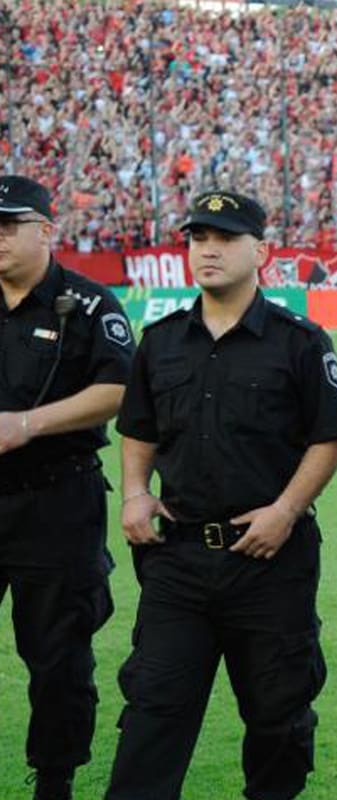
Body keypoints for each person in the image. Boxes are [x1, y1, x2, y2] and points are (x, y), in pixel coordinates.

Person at [106, 190, 337, 800]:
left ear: (261, 252)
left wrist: (286, 511)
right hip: (179, 559)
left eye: (225, 238)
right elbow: (138, 428)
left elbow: (331, 435)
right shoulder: (161, 340)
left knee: (278, 716)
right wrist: (135, 493)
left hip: (269, 562)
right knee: (152, 707)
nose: (208, 250)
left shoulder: (300, 341)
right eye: (198, 238)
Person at [0, 175, 133, 800]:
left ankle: (55, 778)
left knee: (57, 656)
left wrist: (28, 424)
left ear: (46, 230)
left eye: (10, 225)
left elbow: (121, 388)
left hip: (56, 502)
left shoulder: (90, 304)